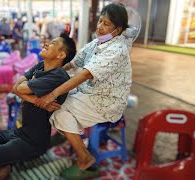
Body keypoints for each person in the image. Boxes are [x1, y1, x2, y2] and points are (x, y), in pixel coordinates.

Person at [35, 3, 132, 170]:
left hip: (106, 101)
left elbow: (86, 74)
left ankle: (85, 157)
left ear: (117, 30)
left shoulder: (117, 49)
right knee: (56, 99)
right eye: (100, 21)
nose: (100, 26)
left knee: (58, 109)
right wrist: (51, 74)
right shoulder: (96, 43)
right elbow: (74, 63)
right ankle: (65, 133)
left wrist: (53, 93)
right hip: (89, 91)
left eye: (106, 24)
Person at [0, 33, 76, 179]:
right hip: (21, 132)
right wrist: (36, 100)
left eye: (53, 43)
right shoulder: (41, 66)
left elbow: (20, 89)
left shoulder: (58, 76)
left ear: (61, 54)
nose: (46, 43)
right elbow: (17, 87)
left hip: (33, 142)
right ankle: (6, 163)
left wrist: (21, 89)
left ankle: (5, 163)